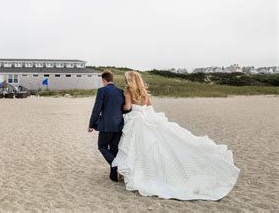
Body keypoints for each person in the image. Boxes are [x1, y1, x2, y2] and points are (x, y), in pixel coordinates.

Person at [111, 71, 240, 200]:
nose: (125, 81)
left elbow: (127, 107)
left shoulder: (128, 91)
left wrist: (120, 108)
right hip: (147, 118)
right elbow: (150, 108)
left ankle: (135, 173)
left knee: (136, 147)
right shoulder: (144, 92)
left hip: (136, 122)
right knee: (151, 147)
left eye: (126, 79)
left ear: (131, 80)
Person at [88, 71, 125, 182]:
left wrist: (91, 124)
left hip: (106, 125)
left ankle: (116, 165)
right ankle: (113, 176)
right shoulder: (120, 91)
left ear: (104, 80)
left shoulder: (102, 91)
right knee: (113, 150)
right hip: (119, 125)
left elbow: (96, 109)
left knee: (102, 146)